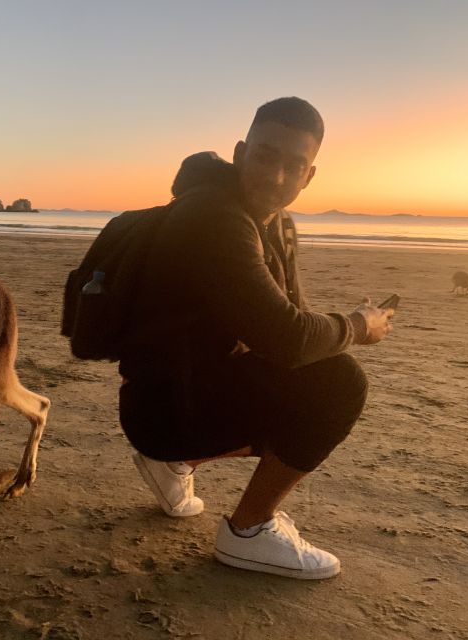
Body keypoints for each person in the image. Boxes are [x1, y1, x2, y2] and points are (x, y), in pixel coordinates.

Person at [119, 97, 393, 580]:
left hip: (184, 391)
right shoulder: (216, 219)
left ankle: (179, 460)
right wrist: (357, 326)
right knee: (341, 384)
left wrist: (327, 332)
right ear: (241, 151)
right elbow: (287, 338)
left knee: (313, 374)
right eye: (266, 156)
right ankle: (249, 530)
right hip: (161, 407)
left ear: (310, 175)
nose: (277, 177)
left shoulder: (274, 224)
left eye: (295, 166)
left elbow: (292, 324)